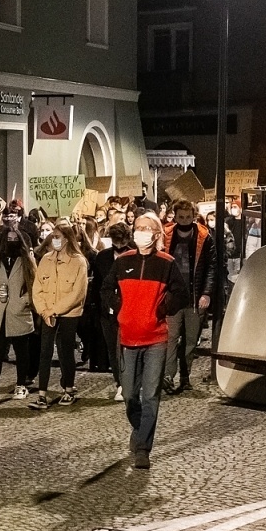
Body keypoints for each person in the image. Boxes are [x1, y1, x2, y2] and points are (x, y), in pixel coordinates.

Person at [102, 212, 189, 470]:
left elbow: (181, 293)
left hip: (155, 339)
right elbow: (106, 289)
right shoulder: (122, 262)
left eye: (147, 228)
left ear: (156, 234)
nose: (142, 232)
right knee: (130, 395)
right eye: (138, 227)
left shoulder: (167, 263)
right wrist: (119, 309)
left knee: (150, 395)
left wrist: (161, 309)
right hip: (128, 337)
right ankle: (140, 429)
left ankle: (143, 449)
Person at [30, 222, 89, 409]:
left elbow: (78, 293)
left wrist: (54, 310)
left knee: (65, 351)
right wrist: (44, 311)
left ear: (67, 238)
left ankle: (68, 389)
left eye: (57, 236)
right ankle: (42, 394)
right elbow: (37, 288)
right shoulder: (46, 259)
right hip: (47, 312)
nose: (54, 240)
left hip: (69, 314)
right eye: (53, 236)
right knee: (45, 352)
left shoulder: (79, 261)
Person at [163, 200, 216, 394]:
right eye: (181, 216)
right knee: (170, 337)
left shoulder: (204, 236)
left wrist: (206, 293)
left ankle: (185, 377)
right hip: (172, 297)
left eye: (188, 216)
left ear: (193, 216)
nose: (184, 220)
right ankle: (168, 376)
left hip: (195, 297)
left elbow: (211, 267)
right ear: (175, 216)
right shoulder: (166, 235)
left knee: (191, 341)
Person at [0, 229, 35, 405]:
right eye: (9, 238)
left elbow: (34, 283)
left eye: (15, 239)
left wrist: (24, 301)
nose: (12, 242)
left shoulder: (27, 260)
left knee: (21, 352)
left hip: (19, 312)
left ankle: (21, 384)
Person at [89, 222, 132, 400]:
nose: (119, 245)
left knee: (128, 348)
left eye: (122, 241)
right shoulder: (103, 257)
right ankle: (120, 383)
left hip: (130, 309)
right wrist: (99, 308)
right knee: (113, 349)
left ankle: (131, 381)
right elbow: (98, 285)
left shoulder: (134, 255)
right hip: (108, 310)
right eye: (116, 241)